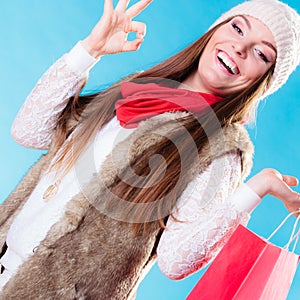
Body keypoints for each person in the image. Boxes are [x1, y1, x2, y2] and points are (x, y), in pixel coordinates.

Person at [1, 0, 300, 298]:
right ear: (215, 30)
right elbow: (29, 131)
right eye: (237, 28)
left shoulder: (221, 147)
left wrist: (256, 189)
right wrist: (90, 50)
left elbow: (175, 261)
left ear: (264, 81)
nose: (240, 48)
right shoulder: (138, 89)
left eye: (261, 54)